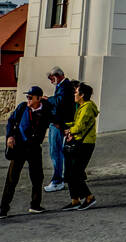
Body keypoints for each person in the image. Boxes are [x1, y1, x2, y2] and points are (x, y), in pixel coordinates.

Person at [1, 85, 51, 217]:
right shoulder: (22, 107)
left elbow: (56, 117)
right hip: (19, 147)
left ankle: (35, 205)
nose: (28, 99)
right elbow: (11, 121)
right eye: (27, 97)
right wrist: (10, 136)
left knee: (37, 177)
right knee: (11, 179)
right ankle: (3, 209)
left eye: (30, 97)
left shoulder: (45, 109)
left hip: (34, 148)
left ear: (38, 98)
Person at [62, 82, 99, 211]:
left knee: (76, 172)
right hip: (79, 142)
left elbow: (80, 126)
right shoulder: (82, 106)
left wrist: (70, 130)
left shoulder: (87, 107)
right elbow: (77, 123)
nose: (74, 94)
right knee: (70, 171)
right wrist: (63, 124)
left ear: (82, 95)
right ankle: (75, 200)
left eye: (76, 92)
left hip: (85, 144)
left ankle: (89, 197)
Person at [44, 66, 76, 193]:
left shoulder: (65, 86)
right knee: (58, 152)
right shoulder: (63, 86)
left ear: (57, 76)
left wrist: (48, 99)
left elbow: (60, 102)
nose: (51, 82)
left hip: (58, 124)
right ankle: (62, 178)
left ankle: (58, 180)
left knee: (56, 152)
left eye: (52, 79)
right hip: (58, 123)